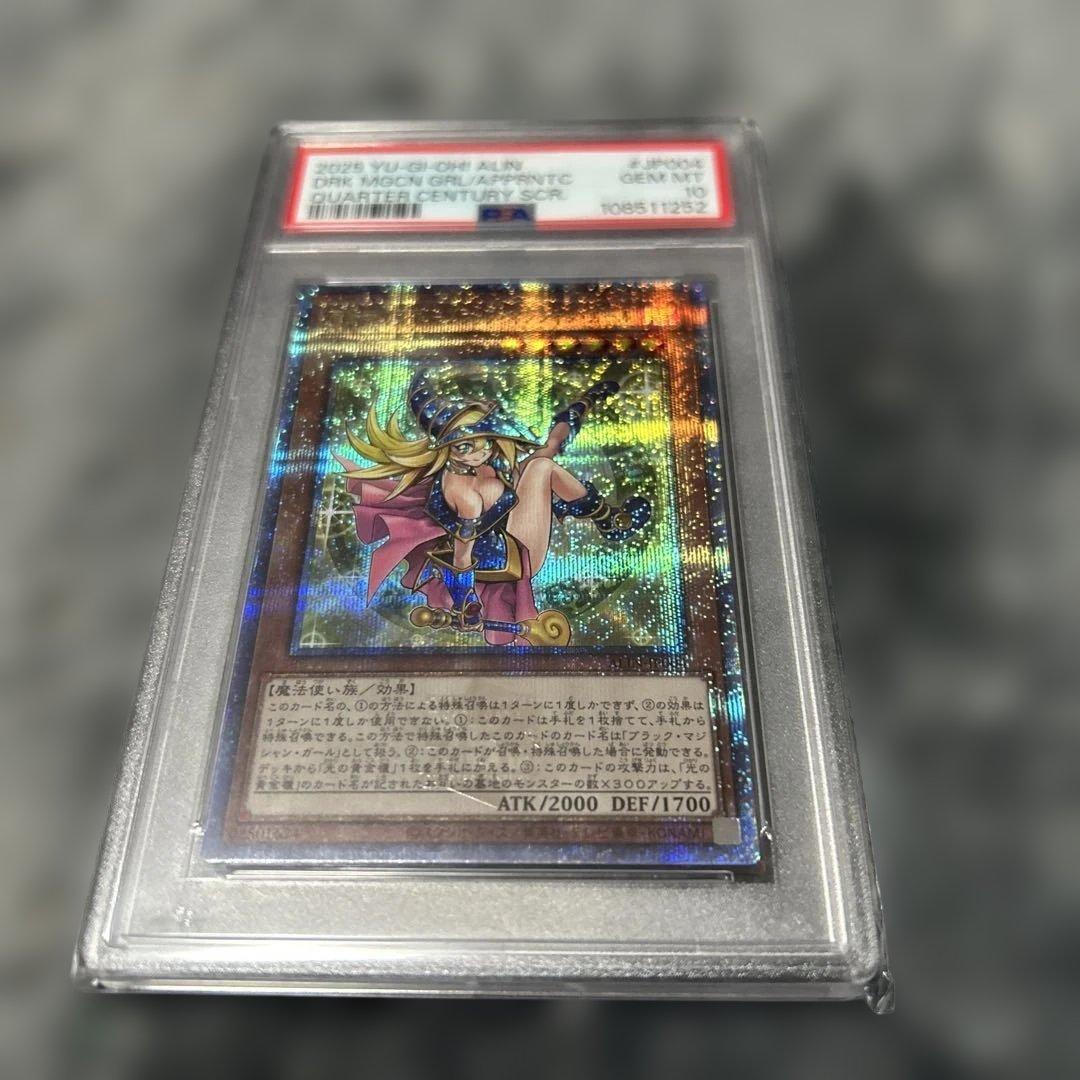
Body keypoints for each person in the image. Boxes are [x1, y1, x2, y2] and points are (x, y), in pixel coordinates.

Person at [335, 367, 650, 645]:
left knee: (546, 453)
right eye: (464, 446)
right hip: (513, 557)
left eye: (484, 440)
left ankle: (581, 408)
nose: (478, 452)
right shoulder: (463, 493)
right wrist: (464, 602)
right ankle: (609, 521)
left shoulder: (481, 464)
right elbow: (462, 554)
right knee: (542, 468)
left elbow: (529, 459)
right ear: (446, 447)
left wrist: (578, 409)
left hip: (510, 528)